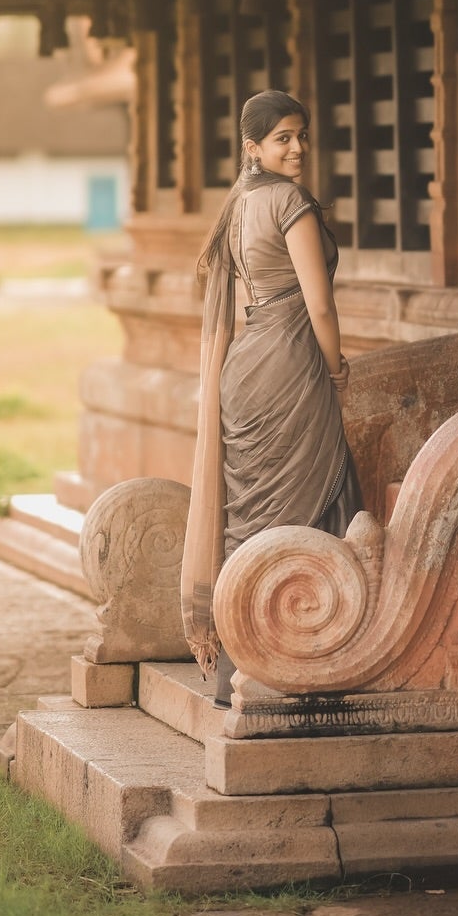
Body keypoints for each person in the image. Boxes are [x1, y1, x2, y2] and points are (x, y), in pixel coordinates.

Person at [180, 89, 363, 705]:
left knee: (250, 510)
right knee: (313, 498)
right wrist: (336, 370)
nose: (298, 149)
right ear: (252, 147)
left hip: (243, 365)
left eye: (302, 136)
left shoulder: (237, 204)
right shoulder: (289, 202)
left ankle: (241, 657)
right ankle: (305, 651)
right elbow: (319, 305)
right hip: (289, 364)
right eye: (283, 138)